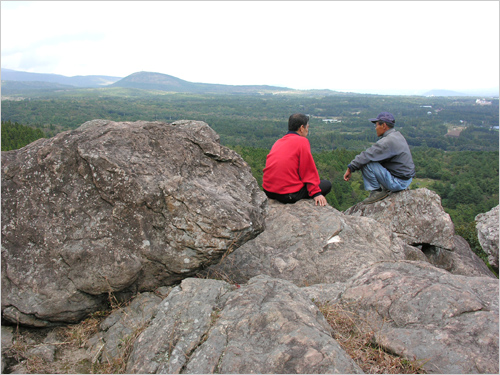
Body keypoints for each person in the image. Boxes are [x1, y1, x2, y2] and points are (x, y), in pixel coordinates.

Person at [343, 112, 415, 204]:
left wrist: (350, 168)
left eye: (377, 125)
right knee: (374, 159)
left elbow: (366, 155)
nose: (376, 128)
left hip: (399, 182)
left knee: (366, 163)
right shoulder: (397, 135)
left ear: (384, 125)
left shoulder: (388, 141)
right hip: (406, 180)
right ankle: (383, 189)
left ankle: (377, 192)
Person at [263, 113, 331, 206]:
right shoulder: (302, 141)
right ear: (301, 128)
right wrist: (316, 193)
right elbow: (307, 170)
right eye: (307, 127)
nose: (307, 130)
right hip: (287, 195)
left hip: (269, 191)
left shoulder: (279, 141)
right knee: (326, 185)